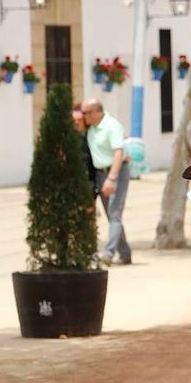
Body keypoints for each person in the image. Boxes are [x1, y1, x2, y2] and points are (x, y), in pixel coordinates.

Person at [80, 98, 131, 266]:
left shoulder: (111, 126)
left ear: (95, 112)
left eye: (86, 113)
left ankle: (109, 253)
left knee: (115, 213)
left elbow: (118, 152)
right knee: (111, 215)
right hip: (101, 175)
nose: (84, 116)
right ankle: (125, 253)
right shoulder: (92, 129)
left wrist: (112, 178)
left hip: (116, 173)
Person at [71, 103, 98, 204]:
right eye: (73, 121)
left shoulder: (93, 136)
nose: (76, 123)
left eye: (79, 120)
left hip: (90, 182)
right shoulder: (69, 139)